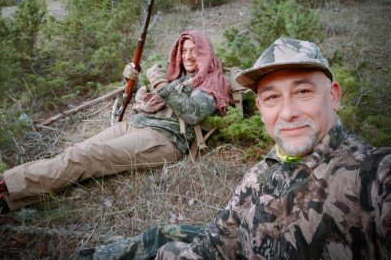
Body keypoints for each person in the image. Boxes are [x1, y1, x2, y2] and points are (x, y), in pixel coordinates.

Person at [0, 30, 231, 233]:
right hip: (137, 124)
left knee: (87, 157)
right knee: (73, 153)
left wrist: (160, 85)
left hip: (165, 140)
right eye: (185, 50)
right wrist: (136, 80)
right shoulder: (174, 74)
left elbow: (191, 113)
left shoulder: (212, 82)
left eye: (195, 51)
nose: (189, 56)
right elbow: (153, 97)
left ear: (206, 53)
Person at [152, 37, 391, 259]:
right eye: (272, 97)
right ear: (260, 107)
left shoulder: (374, 176)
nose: (287, 113)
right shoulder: (256, 178)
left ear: (334, 96)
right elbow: (211, 248)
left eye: (303, 92)